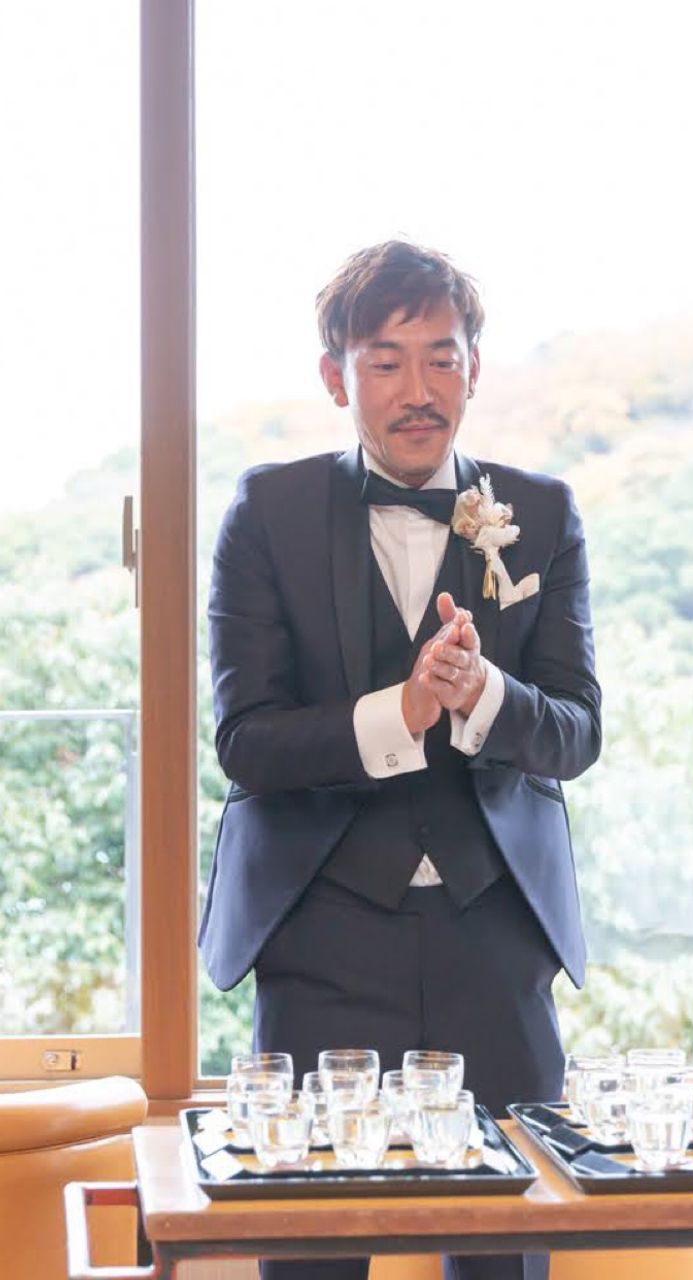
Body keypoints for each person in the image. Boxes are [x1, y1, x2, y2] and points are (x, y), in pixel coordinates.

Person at [200, 240, 602, 1280]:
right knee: (313, 1255)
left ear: (475, 367)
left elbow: (576, 730)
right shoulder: (269, 512)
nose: (417, 389)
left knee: (505, 1252)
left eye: (440, 357)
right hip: (323, 940)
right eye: (385, 361)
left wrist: (483, 697)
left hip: (495, 940)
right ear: (336, 376)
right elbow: (245, 740)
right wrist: (404, 709)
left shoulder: (541, 512)